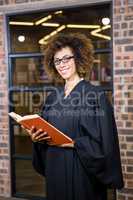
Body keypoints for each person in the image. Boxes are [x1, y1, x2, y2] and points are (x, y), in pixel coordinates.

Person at [26, 33, 124, 200]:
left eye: (66, 58)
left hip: (81, 172)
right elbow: (45, 133)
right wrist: (36, 137)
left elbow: (105, 145)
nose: (62, 64)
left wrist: (74, 143)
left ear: (78, 58)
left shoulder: (95, 96)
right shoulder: (52, 98)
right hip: (55, 168)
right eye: (57, 61)